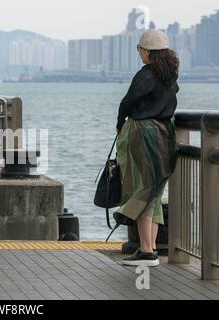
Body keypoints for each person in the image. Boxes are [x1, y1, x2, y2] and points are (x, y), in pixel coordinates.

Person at [115, 30, 179, 267]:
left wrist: (119, 124)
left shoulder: (146, 75)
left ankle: (145, 250)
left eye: (140, 49)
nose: (140, 54)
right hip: (165, 133)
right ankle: (149, 249)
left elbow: (127, 102)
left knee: (142, 188)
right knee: (154, 191)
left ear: (148, 52)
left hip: (144, 133)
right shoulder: (170, 75)